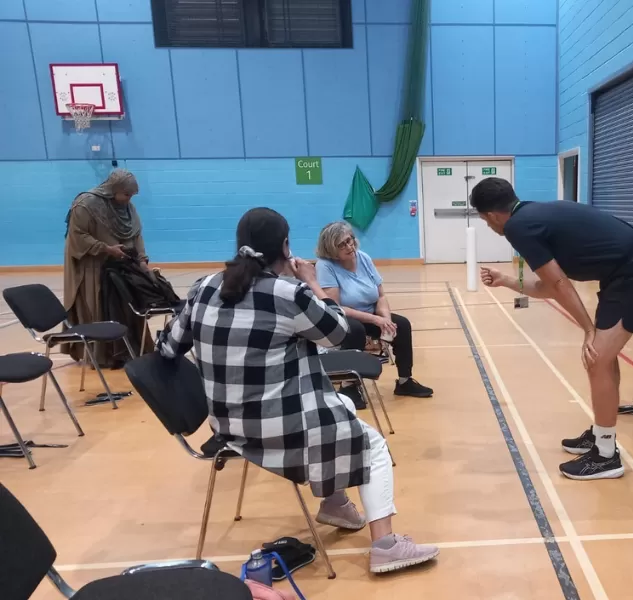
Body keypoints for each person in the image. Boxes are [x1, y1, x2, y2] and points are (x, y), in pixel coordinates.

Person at [157, 208, 439, 574]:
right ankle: (385, 546)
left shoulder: (202, 288)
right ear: (286, 247)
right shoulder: (289, 292)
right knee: (374, 447)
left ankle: (335, 503)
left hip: (227, 427)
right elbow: (341, 335)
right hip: (282, 429)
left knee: (341, 406)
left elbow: (166, 348)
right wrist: (308, 282)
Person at [469, 178, 633, 481]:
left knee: (596, 357)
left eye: (484, 220)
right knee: (601, 358)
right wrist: (507, 280)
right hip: (623, 273)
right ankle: (601, 434)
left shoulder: (518, 228)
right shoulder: (531, 214)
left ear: (492, 216)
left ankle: (605, 456)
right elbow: (551, 284)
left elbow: (560, 285)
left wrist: (587, 329)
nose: (488, 225)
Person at [315, 221, 433, 403]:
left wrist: (386, 320)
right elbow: (336, 306)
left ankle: (404, 381)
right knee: (355, 330)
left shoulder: (363, 258)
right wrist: (375, 320)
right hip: (344, 316)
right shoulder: (325, 266)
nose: (350, 246)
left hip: (370, 313)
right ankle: (349, 386)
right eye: (343, 244)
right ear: (331, 248)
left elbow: (380, 296)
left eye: (350, 240)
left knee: (401, 324)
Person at [64, 169, 147, 367]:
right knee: (99, 307)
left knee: (127, 307)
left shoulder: (128, 208)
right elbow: (78, 236)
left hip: (122, 267)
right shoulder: (86, 204)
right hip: (93, 267)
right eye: (126, 194)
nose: (129, 199)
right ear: (113, 189)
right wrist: (106, 249)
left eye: (132, 196)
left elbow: (136, 234)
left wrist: (142, 259)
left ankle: (126, 351)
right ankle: (102, 356)